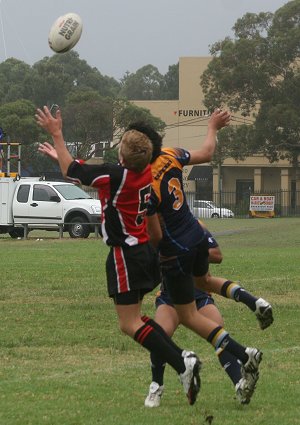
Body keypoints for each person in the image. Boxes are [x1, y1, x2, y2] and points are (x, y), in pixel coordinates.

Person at [35, 105, 202, 406]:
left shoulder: (116, 175)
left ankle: (182, 361)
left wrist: (58, 135)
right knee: (138, 319)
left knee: (129, 324)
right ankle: (182, 361)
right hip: (143, 252)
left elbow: (73, 171)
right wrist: (64, 157)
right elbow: (87, 175)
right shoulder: (142, 173)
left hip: (125, 255)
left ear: (121, 157)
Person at [126, 111, 265, 406]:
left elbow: (155, 237)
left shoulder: (145, 185)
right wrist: (212, 126)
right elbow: (207, 152)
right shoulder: (171, 154)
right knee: (203, 285)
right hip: (197, 236)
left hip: (176, 252)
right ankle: (160, 384)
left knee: (187, 318)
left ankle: (244, 354)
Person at [144, 228, 252, 407]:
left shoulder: (193, 226)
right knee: (159, 337)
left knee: (220, 334)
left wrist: (190, 252)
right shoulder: (157, 232)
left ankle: (239, 383)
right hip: (170, 298)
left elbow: (217, 255)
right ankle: (156, 387)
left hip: (198, 296)